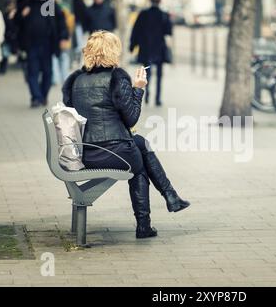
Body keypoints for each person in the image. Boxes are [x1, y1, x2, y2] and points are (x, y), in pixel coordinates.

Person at [62, 31, 190, 239]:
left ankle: (171, 196)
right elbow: (131, 119)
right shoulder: (116, 77)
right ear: (112, 52)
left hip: (86, 153)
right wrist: (138, 89)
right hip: (113, 151)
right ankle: (147, 222)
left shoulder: (75, 80)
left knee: (141, 143)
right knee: (140, 165)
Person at [15, 0, 69, 108]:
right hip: (31, 45)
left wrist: (63, 37)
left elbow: (60, 21)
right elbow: (15, 21)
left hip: (47, 44)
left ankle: (43, 96)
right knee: (32, 72)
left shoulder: (49, 3)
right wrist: (21, 15)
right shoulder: (27, 3)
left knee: (47, 73)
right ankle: (36, 97)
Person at [130, 0, 172, 106]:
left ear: (150, 0)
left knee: (146, 73)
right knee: (159, 74)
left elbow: (136, 30)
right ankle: (158, 98)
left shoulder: (143, 14)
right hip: (159, 48)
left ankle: (147, 95)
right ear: (160, 1)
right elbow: (168, 31)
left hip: (146, 48)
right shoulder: (164, 14)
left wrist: (132, 45)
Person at [50, 0, 74, 85]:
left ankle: (58, 78)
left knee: (58, 58)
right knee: (61, 58)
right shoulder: (63, 7)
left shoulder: (61, 9)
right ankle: (61, 78)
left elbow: (65, 24)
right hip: (58, 37)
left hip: (59, 37)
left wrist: (64, 37)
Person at [71, 0, 88, 64]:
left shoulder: (80, 0)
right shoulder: (76, 0)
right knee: (80, 45)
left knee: (81, 44)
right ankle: (79, 60)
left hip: (81, 25)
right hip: (78, 25)